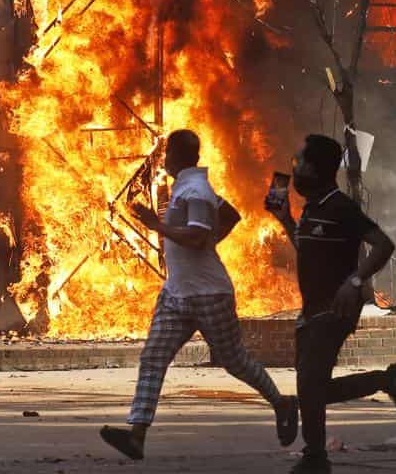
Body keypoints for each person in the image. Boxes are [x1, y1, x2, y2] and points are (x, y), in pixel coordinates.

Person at [101, 129, 299, 461]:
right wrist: (211, 240)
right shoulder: (189, 186)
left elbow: (194, 238)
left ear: (177, 156)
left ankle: (282, 403)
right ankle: (136, 435)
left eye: (166, 154)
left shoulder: (195, 191)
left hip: (209, 294)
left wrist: (157, 225)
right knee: (153, 357)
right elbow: (231, 215)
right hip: (177, 293)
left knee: (235, 361)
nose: (163, 160)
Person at [265, 133, 396, 474]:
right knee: (312, 390)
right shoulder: (312, 209)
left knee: (309, 388)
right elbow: (311, 251)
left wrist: (356, 281)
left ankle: (315, 458)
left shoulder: (341, 207)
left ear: (317, 169)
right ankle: (388, 380)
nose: (295, 167)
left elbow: (383, 244)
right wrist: (286, 220)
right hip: (312, 310)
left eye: (300, 162)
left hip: (335, 310)